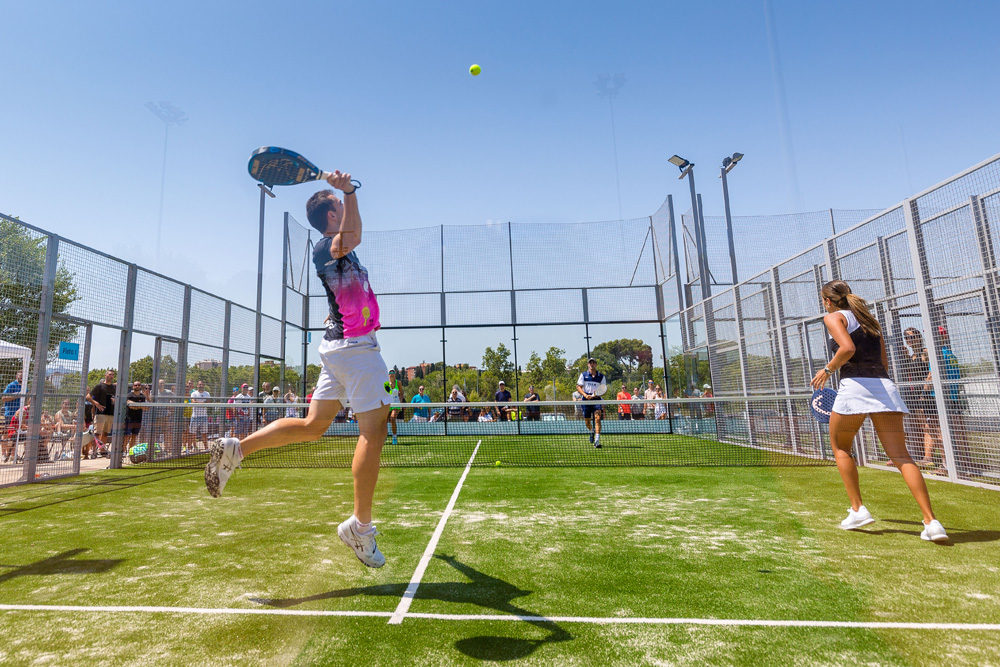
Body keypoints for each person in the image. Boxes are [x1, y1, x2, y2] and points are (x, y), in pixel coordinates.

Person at [205, 170, 393, 568]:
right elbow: (354, 234)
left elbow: (354, 238)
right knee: (373, 431)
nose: (345, 208)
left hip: (341, 348)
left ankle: (236, 449)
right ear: (330, 215)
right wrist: (349, 191)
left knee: (312, 426)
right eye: (339, 206)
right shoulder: (329, 247)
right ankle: (360, 529)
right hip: (356, 349)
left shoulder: (336, 248)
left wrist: (347, 194)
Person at [811, 280, 948, 542]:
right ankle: (932, 522)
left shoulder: (833, 318)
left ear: (827, 301)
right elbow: (883, 361)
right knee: (901, 455)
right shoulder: (869, 320)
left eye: (823, 300)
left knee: (841, 448)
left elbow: (847, 349)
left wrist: (827, 370)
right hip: (884, 386)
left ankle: (858, 509)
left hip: (854, 386)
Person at [577, 358, 606, 448]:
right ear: (588, 365)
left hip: (597, 400)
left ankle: (597, 441)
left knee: (597, 419)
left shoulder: (601, 376)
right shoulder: (583, 375)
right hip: (586, 400)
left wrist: (596, 395)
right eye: (590, 363)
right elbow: (578, 387)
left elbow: (604, 389)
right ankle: (591, 431)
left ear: (596, 365)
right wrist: (585, 395)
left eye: (593, 363)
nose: (592, 365)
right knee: (587, 422)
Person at [86, 370, 116, 457]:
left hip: (110, 413)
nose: (111, 376)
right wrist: (96, 403)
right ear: (105, 375)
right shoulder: (100, 386)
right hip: (100, 413)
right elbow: (88, 397)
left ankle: (102, 450)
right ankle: (93, 451)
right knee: (97, 433)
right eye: (110, 374)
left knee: (106, 432)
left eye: (113, 375)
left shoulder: (114, 387)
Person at [123, 381, 150, 457]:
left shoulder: (142, 396)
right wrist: (140, 406)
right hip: (129, 418)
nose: (137, 386)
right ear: (133, 386)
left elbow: (146, 407)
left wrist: (136, 406)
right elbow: (130, 405)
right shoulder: (129, 395)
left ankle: (130, 451)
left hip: (138, 419)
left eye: (139, 385)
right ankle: (123, 451)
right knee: (126, 436)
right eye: (135, 385)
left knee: (134, 436)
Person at [188, 380, 211, 452]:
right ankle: (188, 449)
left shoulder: (207, 393)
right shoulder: (194, 393)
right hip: (195, 416)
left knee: (204, 433)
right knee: (192, 433)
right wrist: (203, 402)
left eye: (202, 384)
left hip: (204, 416)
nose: (201, 386)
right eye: (199, 384)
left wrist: (199, 402)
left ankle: (206, 448)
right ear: (197, 385)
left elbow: (208, 402)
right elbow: (193, 402)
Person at [383, 370, 403, 444]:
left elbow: (401, 393)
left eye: (393, 373)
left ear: (395, 374)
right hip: (388, 404)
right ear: (388, 375)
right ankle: (385, 435)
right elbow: (386, 394)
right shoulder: (386, 383)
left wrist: (400, 403)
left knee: (392, 418)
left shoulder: (398, 383)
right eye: (390, 373)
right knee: (384, 421)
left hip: (396, 404)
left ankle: (394, 437)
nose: (392, 375)